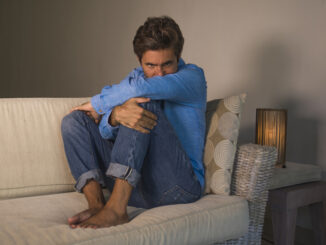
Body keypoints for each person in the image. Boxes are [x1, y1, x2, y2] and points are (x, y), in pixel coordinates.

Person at [61, 16, 207, 229]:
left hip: (179, 186)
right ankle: (97, 205)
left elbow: (140, 91)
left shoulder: (192, 78)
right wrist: (115, 115)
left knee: (143, 104)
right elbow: (105, 131)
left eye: (167, 64)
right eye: (151, 65)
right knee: (74, 121)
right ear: (140, 62)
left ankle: (116, 210)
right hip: (137, 187)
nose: (159, 74)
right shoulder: (136, 80)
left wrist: (97, 103)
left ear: (178, 56)